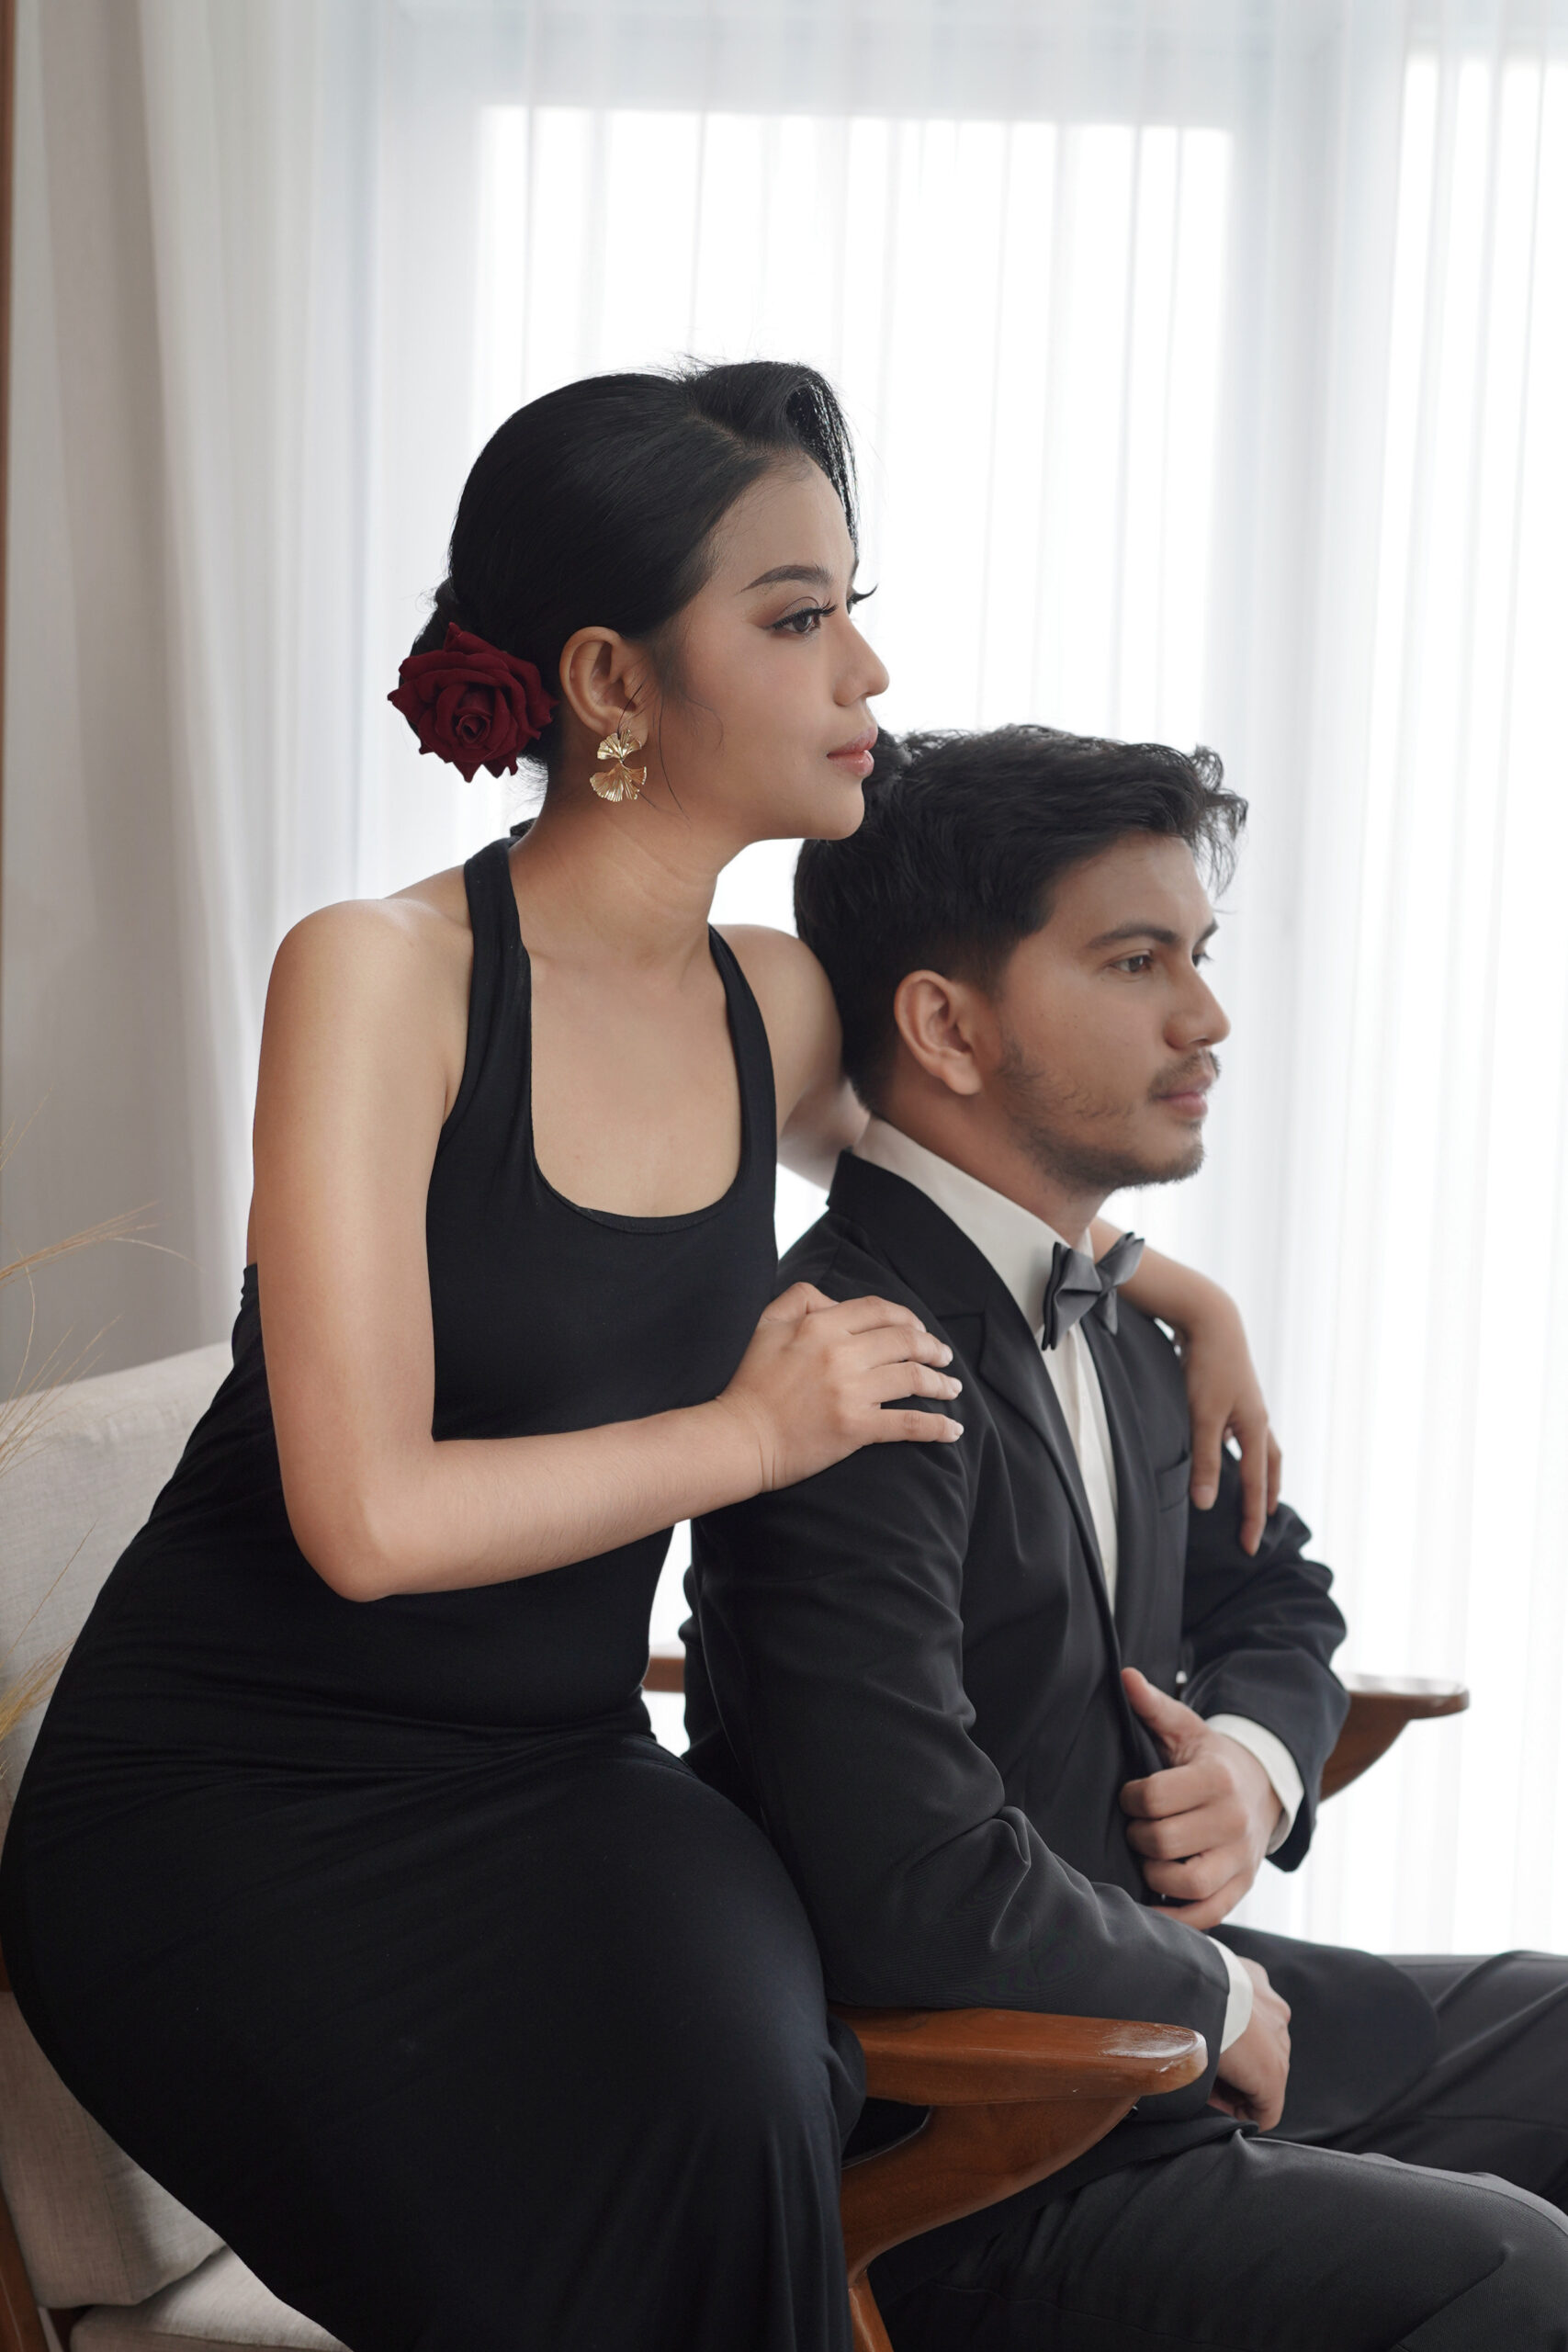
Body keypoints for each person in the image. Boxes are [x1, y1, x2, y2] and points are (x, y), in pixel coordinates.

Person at [0, 368, 1280, 2352]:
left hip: (560, 1771)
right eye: (795, 616)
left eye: (852, 606)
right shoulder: (380, 977)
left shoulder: (776, 1003)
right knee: (637, 2174)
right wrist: (747, 1435)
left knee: (762, 2082)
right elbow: (365, 1518)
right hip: (235, 1807)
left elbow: (973, 1181)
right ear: (611, 679)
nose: (865, 668)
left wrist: (1181, 1292)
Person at [682, 723, 1568, 2352]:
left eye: (1199, 957)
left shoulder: (1120, 1322)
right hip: (993, 2142)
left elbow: (1280, 1599)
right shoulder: (842, 1371)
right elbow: (907, 1878)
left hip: (1166, 2045)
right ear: (947, 1025)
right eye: (1137, 961)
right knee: (1516, 2272)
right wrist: (1212, 1992)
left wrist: (1255, 1768)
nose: (1206, 1017)